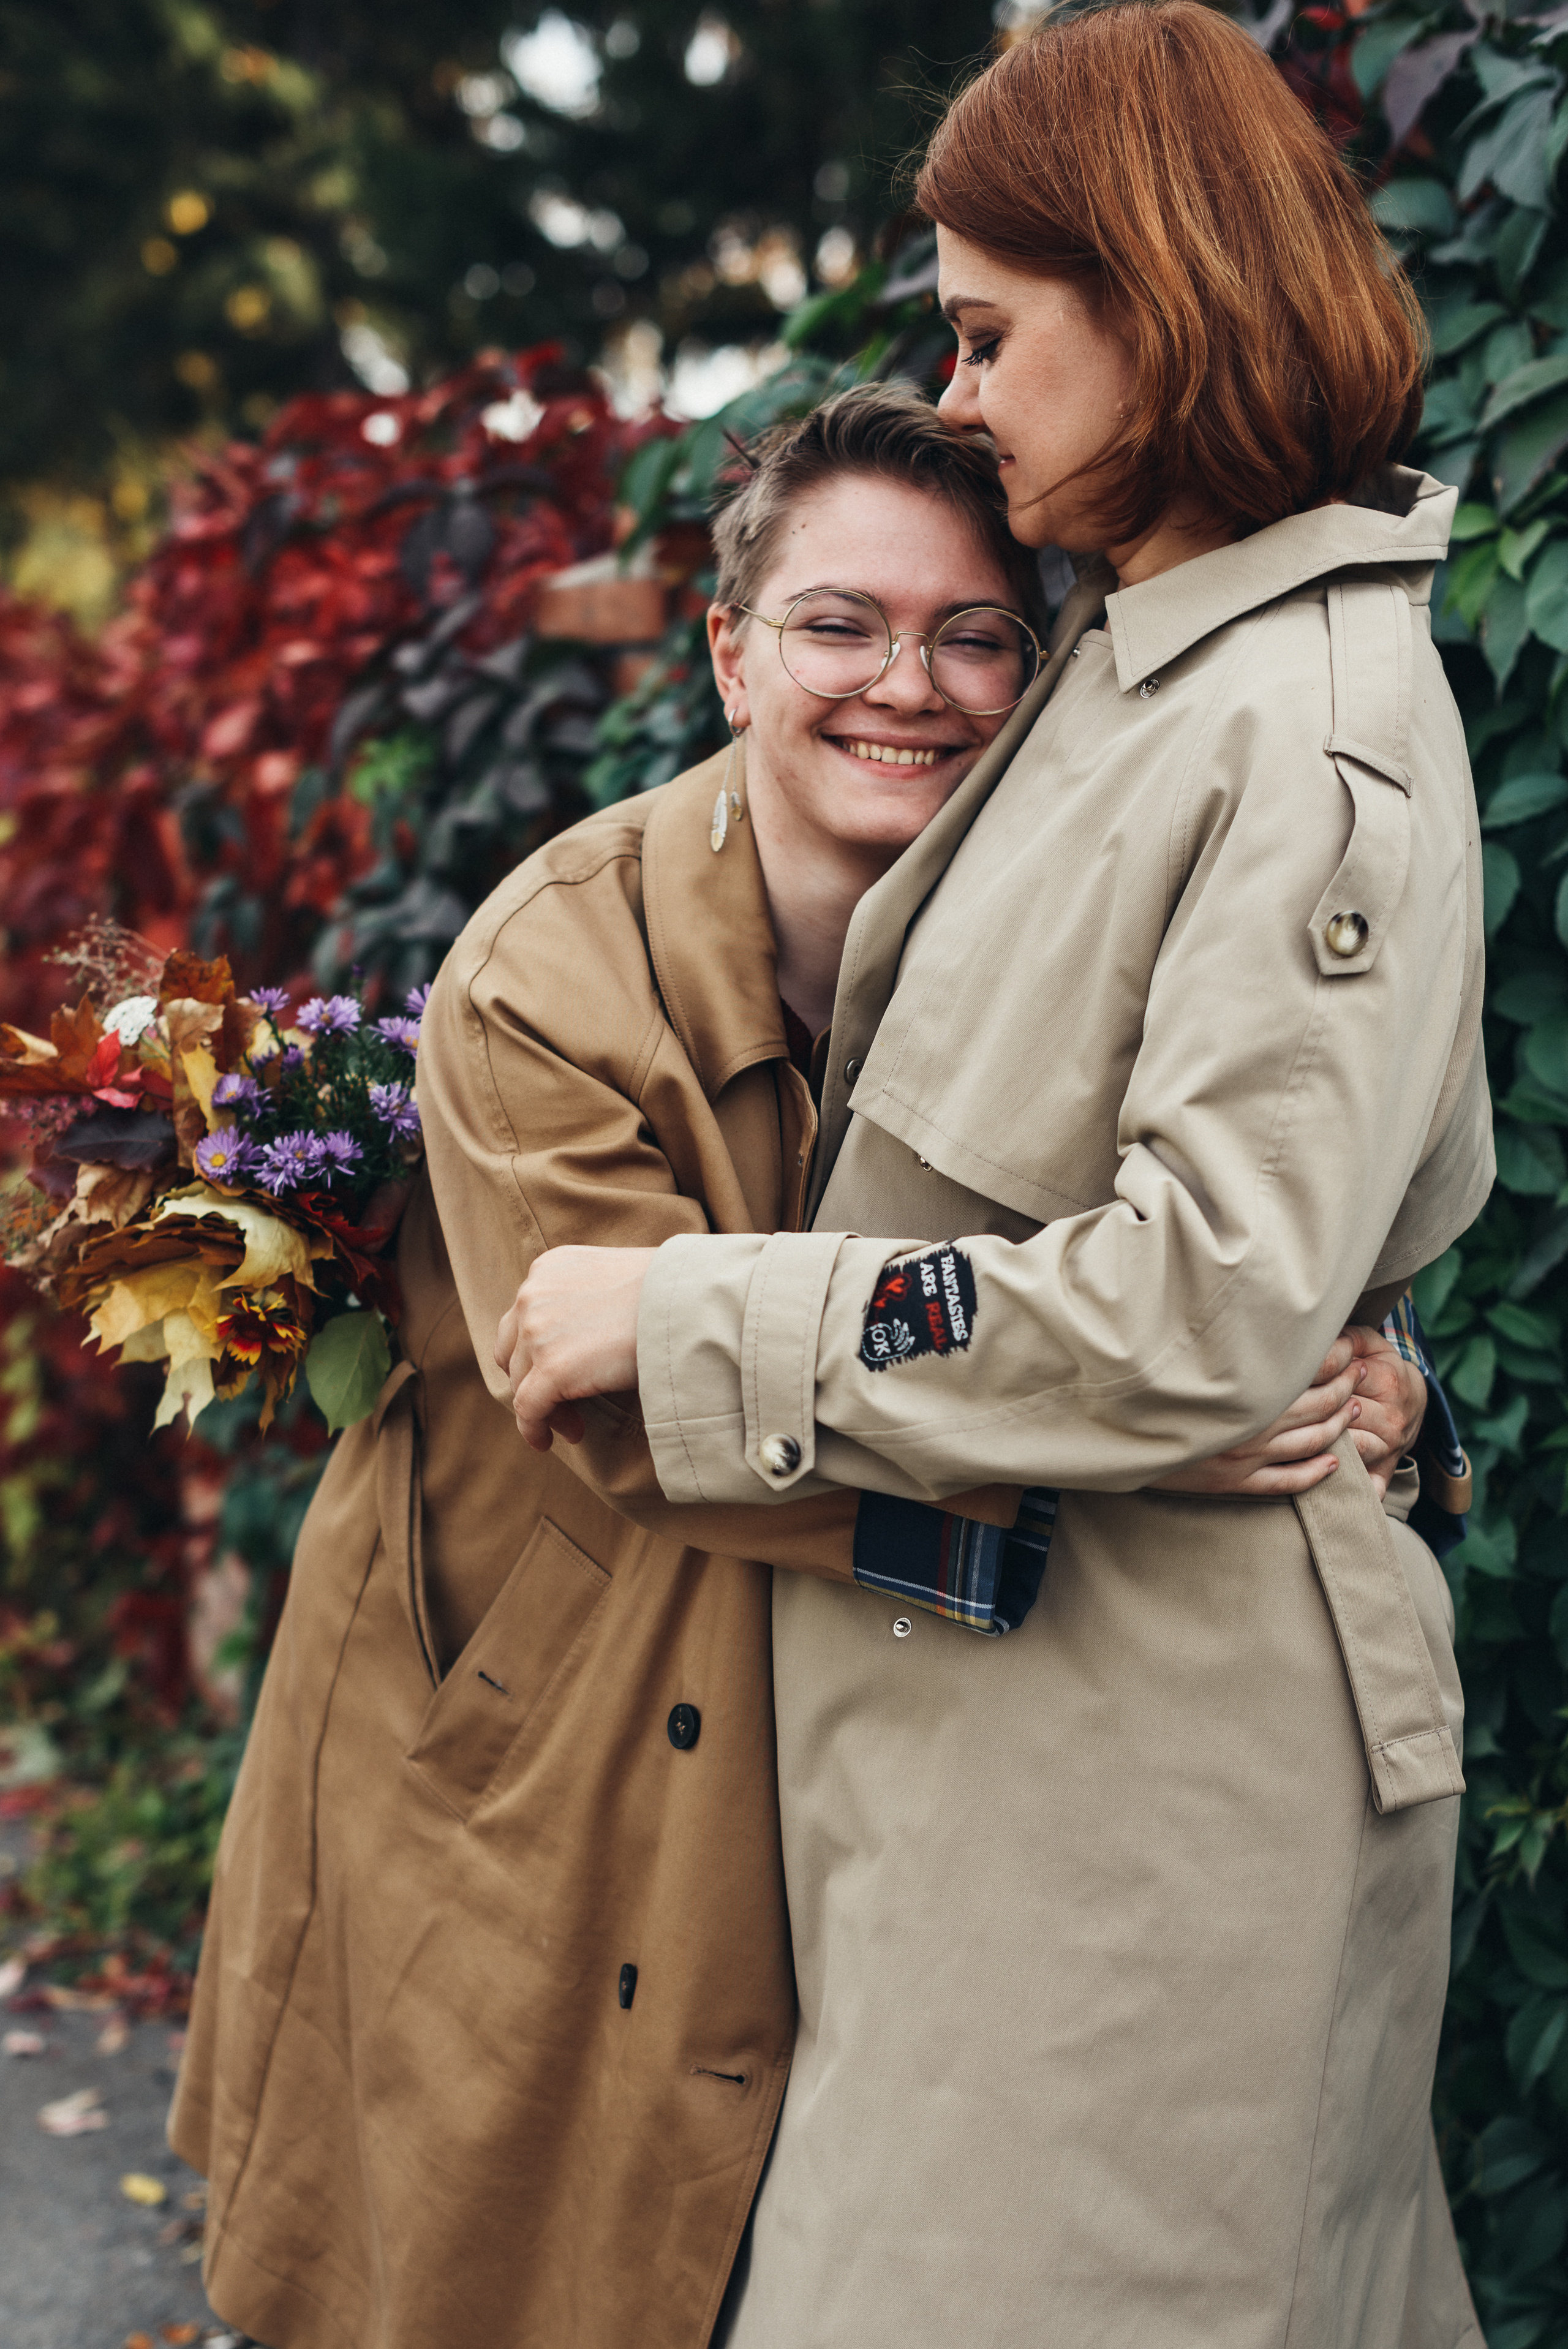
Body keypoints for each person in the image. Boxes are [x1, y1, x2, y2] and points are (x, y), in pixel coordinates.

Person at [170, 388, 1438, 2349]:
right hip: (554, 1708)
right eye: (841, 624)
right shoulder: (549, 975)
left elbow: (1225, 1220)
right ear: (730, 652)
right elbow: (630, 1417)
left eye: (974, 635)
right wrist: (1143, 1426)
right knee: (522, 2239)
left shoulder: (1053, 919)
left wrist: (1370, 1372)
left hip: (884, 1719)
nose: (906, 688)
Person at [497, 11, 1494, 2345]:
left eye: (985, 330)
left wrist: (700, 1314)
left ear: (1156, 302)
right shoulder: (1137, 661)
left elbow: (1198, 1304)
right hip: (1001, 1729)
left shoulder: (1303, 722)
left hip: (1142, 1781)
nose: (956, 394)